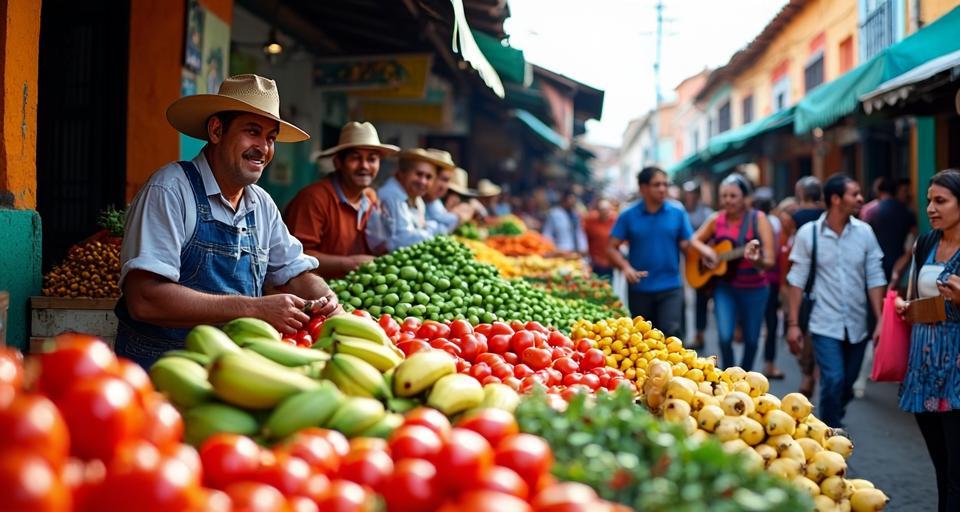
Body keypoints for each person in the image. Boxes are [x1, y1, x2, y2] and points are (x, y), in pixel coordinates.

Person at [116, 74, 340, 368]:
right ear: (217, 130)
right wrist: (253, 308)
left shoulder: (261, 204)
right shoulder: (170, 190)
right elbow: (145, 299)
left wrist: (330, 302)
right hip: (162, 369)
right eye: (252, 131)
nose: (263, 147)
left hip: (231, 371)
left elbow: (294, 273)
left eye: (270, 138)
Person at [785, 174, 885, 428]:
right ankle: (830, 431)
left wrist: (881, 320)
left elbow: (875, 276)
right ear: (835, 199)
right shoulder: (809, 234)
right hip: (823, 322)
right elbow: (796, 280)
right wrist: (794, 324)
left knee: (847, 383)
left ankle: (830, 418)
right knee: (833, 379)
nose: (861, 198)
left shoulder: (865, 233)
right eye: (855, 193)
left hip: (857, 323)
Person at [894, 168, 960, 511]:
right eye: (929, 201)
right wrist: (906, 307)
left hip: (957, 369)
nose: (931, 208)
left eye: (941, 201)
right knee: (940, 465)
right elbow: (912, 295)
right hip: (923, 365)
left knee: (957, 471)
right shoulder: (927, 242)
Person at [607, 166, 716, 338]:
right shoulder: (628, 214)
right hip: (640, 288)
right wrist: (626, 268)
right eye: (657, 184)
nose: (663, 189)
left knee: (671, 336)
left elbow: (687, 244)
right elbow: (611, 247)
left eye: (665, 184)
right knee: (643, 340)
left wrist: (704, 255)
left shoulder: (677, 211)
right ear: (643, 188)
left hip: (671, 286)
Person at [284, 122, 399, 279]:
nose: (364, 166)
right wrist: (348, 263)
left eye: (372, 159)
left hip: (356, 287)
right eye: (355, 158)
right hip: (313, 293)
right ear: (338, 163)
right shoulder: (314, 198)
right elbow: (296, 257)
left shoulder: (371, 198)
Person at [692, 175, 775, 372]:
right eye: (724, 196)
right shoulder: (716, 219)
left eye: (733, 196)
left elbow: (770, 261)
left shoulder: (759, 219)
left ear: (745, 198)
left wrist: (757, 260)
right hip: (725, 288)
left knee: (753, 340)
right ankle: (729, 374)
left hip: (755, 289)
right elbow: (694, 240)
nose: (728, 200)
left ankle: (745, 377)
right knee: (724, 336)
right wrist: (708, 252)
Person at [788, 175, 824, 397]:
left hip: (801, 278)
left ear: (801, 193)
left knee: (802, 326)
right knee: (815, 329)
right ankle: (813, 372)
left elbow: (789, 246)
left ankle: (807, 373)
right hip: (821, 278)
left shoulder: (795, 217)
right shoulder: (825, 216)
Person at [378, 148, 453, 251]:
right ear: (402, 173)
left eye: (429, 177)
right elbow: (404, 240)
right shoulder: (392, 196)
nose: (423, 181)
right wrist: (432, 228)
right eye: (419, 174)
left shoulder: (416, 199)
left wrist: (427, 229)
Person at [753, 187, 786, 379]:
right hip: (770, 278)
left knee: (760, 321)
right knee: (770, 321)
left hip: (760, 278)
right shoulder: (774, 222)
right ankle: (769, 362)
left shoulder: (754, 221)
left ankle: (760, 363)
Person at [683, 180, 714, 349]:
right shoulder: (681, 213)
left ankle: (699, 333)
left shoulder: (707, 214)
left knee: (701, 299)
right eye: (688, 193)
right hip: (683, 261)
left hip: (703, 263)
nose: (690, 197)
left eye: (693, 193)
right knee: (686, 301)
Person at [424, 166, 475, 235]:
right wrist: (457, 216)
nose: (443, 187)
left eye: (460, 196)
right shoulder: (428, 202)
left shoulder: (436, 203)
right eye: (451, 192)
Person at [542, 190, 588, 255]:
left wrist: (583, 247)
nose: (572, 202)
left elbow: (579, 232)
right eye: (570, 200)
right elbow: (547, 234)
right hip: (560, 251)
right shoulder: (554, 214)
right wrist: (551, 249)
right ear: (564, 200)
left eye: (574, 200)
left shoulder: (575, 215)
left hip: (575, 252)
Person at [582, 198, 617, 278]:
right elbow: (583, 236)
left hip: (609, 261)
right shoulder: (590, 220)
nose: (604, 212)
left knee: (608, 282)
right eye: (601, 209)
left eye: (606, 209)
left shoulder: (614, 221)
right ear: (598, 210)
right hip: (595, 261)